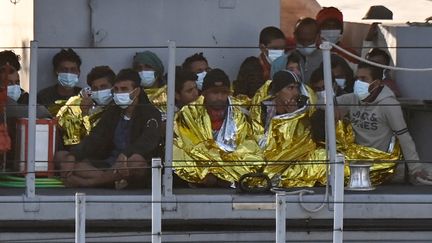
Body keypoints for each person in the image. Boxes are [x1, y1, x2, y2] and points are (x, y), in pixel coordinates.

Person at [59, 69, 161, 188]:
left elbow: (148, 140)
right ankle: (111, 180)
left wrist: (126, 154)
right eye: (116, 89)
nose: (119, 93)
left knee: (136, 162)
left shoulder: (151, 113)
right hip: (109, 162)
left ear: (136, 91)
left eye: (124, 89)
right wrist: (73, 156)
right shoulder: (113, 111)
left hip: (131, 163)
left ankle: (90, 182)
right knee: (67, 161)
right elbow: (96, 137)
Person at [336, 62, 429, 185]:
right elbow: (320, 104)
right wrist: (333, 106)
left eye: (363, 79)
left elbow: (404, 136)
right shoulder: (353, 99)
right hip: (354, 158)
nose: (358, 83)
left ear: (377, 82)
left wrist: (415, 169)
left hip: (377, 163)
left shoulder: (389, 105)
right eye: (357, 78)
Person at [173, 68, 263, 187]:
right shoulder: (188, 113)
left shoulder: (239, 113)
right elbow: (191, 146)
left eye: (224, 93)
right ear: (204, 93)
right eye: (215, 93)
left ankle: (223, 178)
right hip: (202, 170)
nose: (220, 97)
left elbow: (244, 145)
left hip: (232, 164)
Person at [249, 70, 322, 187]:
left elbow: (304, 141)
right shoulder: (264, 110)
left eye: (297, 88)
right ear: (277, 92)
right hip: (270, 156)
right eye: (290, 88)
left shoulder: (302, 109)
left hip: (296, 156)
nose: (296, 93)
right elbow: (259, 140)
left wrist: (293, 116)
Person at [56, 66, 116, 147]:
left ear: (113, 87)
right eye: (95, 88)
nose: (99, 91)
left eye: (103, 86)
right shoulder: (85, 104)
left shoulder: (118, 108)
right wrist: (84, 113)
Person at [271, 18, 322, 83]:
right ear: (295, 36)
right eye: (301, 40)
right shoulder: (280, 62)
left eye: (309, 41)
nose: (305, 44)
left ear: (317, 37)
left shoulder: (327, 59)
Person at [37, 48, 82, 115]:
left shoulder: (83, 96)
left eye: (73, 69)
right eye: (64, 69)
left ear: (78, 73)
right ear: (56, 72)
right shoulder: (44, 97)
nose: (68, 73)